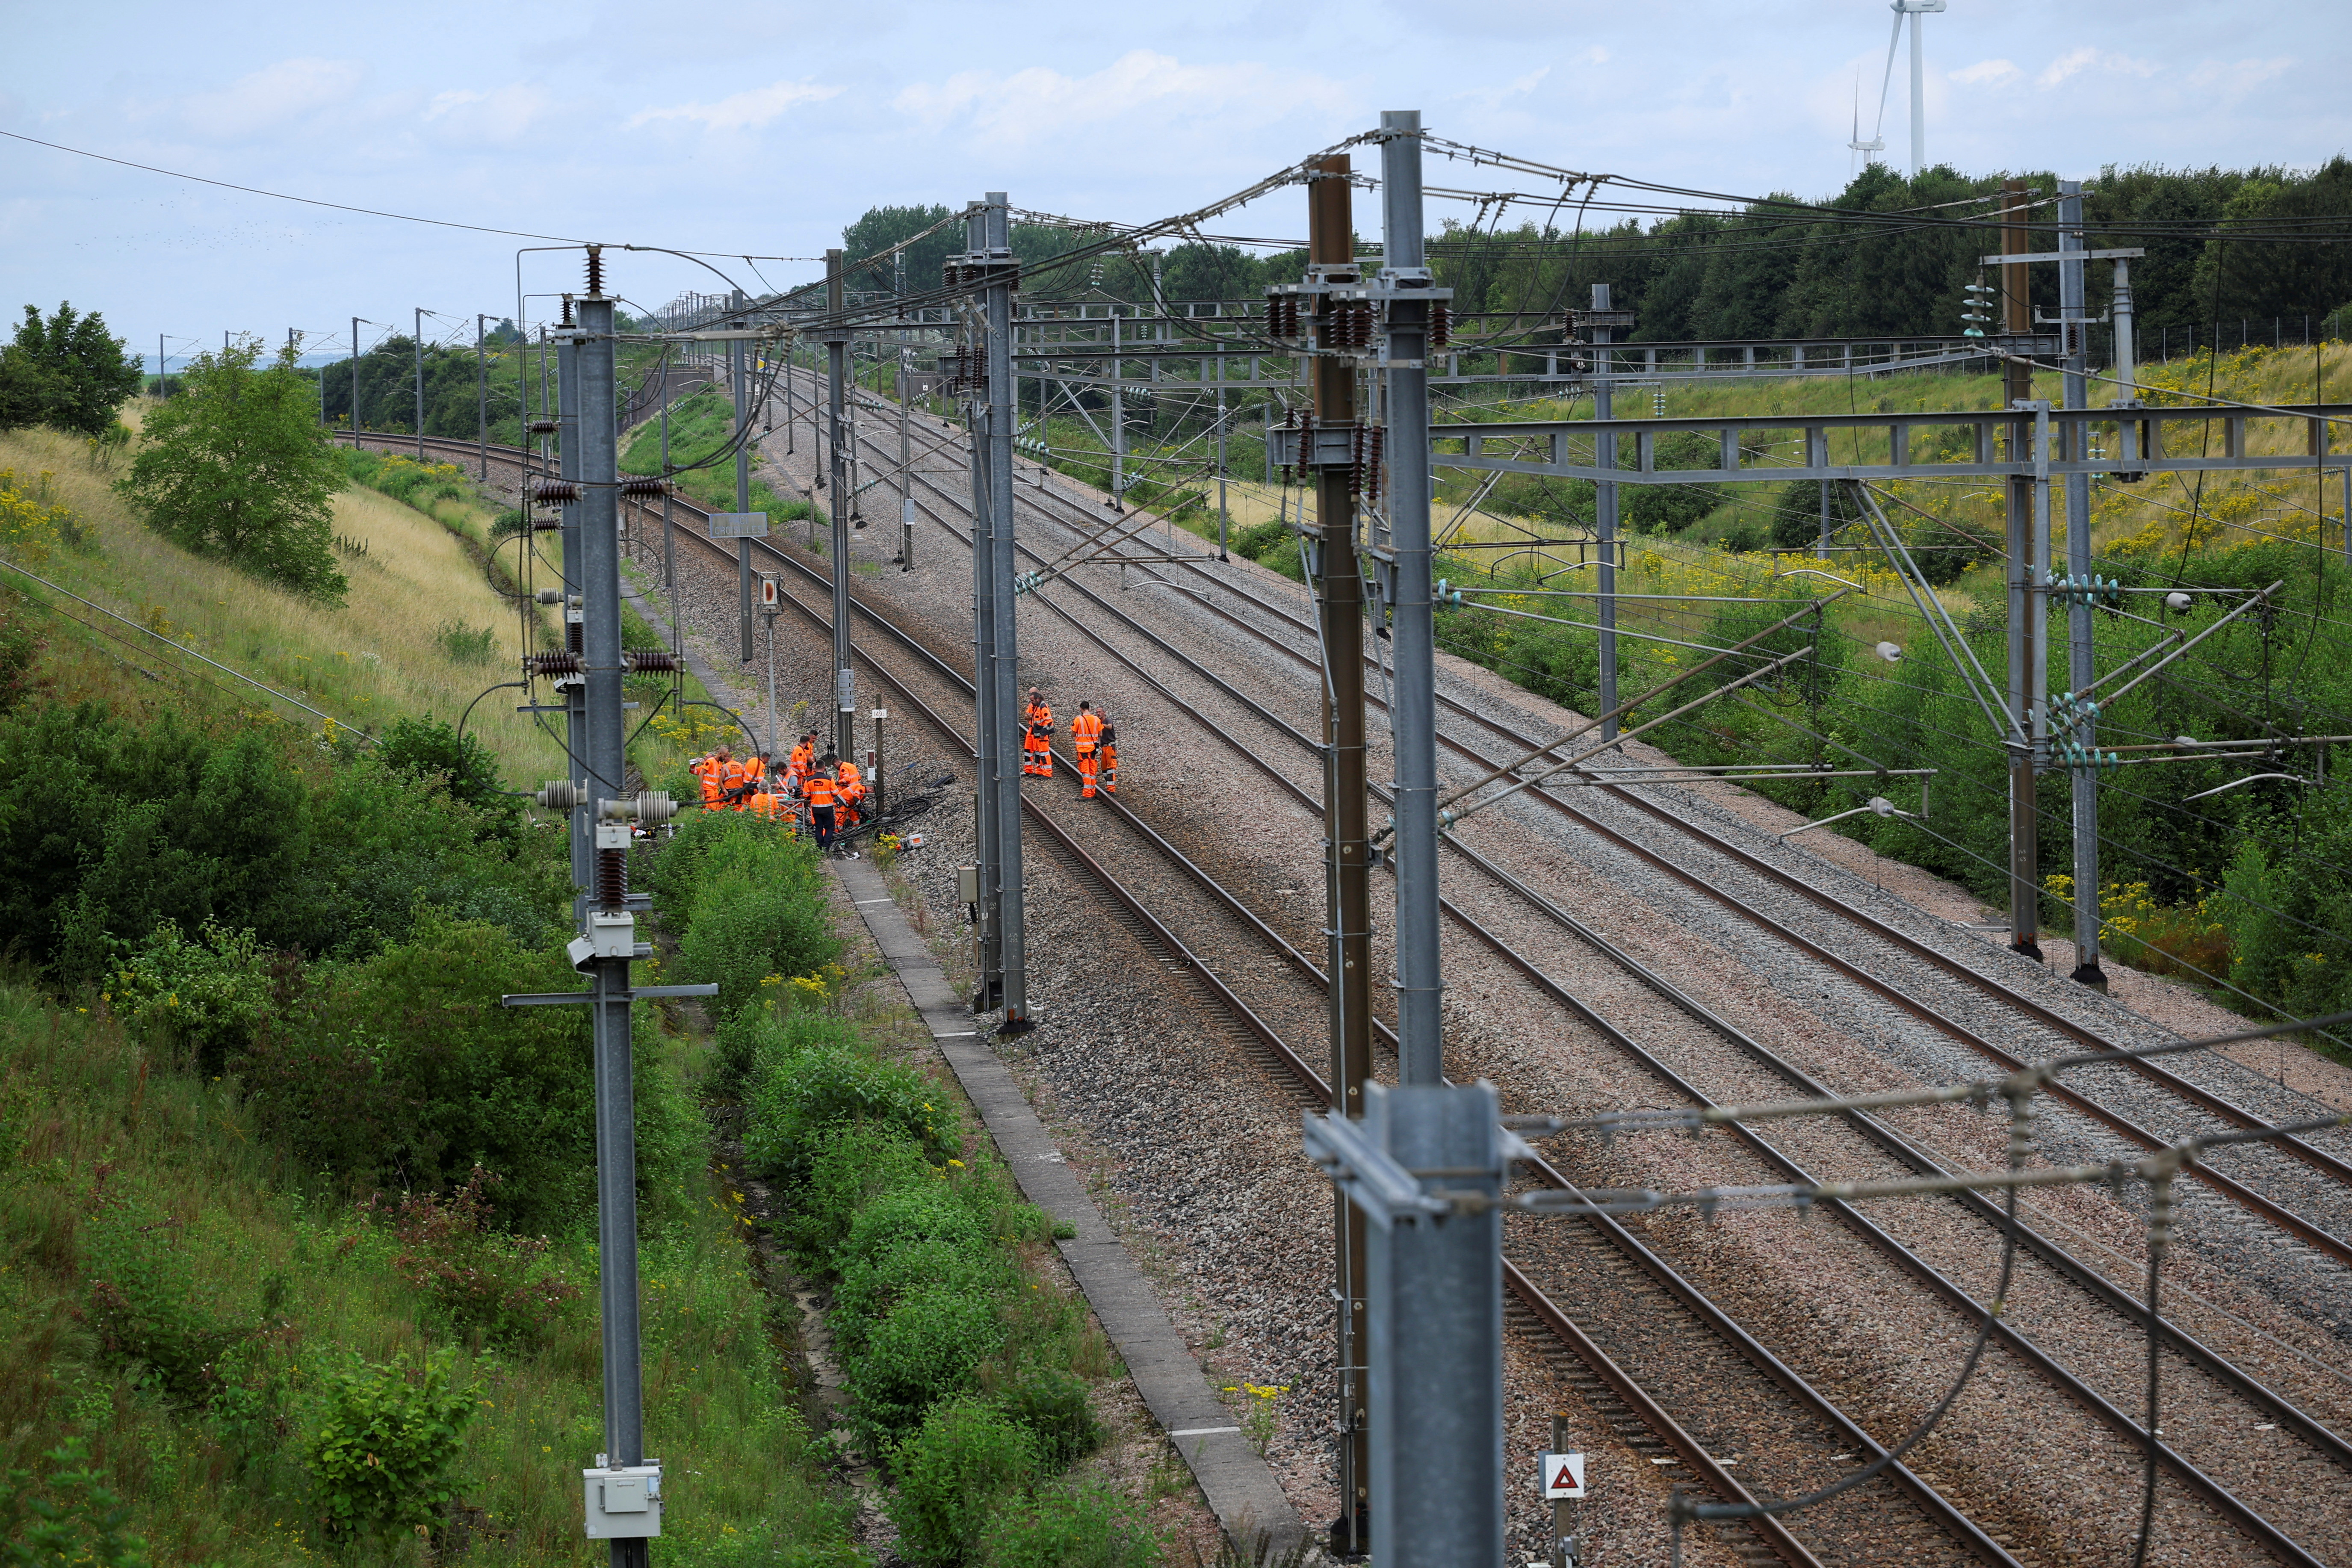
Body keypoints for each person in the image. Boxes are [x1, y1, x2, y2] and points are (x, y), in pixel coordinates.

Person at [1070, 701, 1105, 798]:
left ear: (1081, 709)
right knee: (1092, 771)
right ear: (1089, 708)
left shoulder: (1078, 720)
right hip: (1093, 749)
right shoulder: (1096, 719)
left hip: (1083, 750)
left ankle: (1087, 794)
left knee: (1086, 772)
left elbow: (1073, 734)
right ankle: (1092, 791)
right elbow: (1101, 734)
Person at [803, 762, 840, 851]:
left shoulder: (809, 780)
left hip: (816, 808)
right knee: (829, 828)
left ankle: (820, 848)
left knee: (819, 828)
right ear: (824, 767)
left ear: (815, 768)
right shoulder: (830, 779)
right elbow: (836, 793)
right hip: (828, 808)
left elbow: (806, 795)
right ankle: (826, 848)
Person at [1022, 688, 1053, 778]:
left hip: (1041, 733)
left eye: (1032, 700)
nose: (1031, 702)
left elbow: (1049, 721)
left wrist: (1043, 733)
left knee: (1044, 753)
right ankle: (1039, 771)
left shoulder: (1042, 707)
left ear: (1037, 698)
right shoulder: (1036, 706)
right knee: (1038, 753)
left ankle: (1047, 773)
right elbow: (1027, 716)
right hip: (1036, 732)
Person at [837, 756, 866, 826]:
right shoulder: (851, 766)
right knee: (854, 812)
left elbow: (847, 779)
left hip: (849, 793)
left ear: (836, 764)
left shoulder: (843, 768)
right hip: (858, 790)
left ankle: (838, 831)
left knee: (844, 812)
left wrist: (838, 783)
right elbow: (859, 777)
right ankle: (857, 827)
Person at [1096, 721, 1118, 795]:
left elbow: (1110, 727)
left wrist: (1100, 725)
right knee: (1105, 770)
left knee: (1110, 769)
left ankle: (1111, 790)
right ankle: (1110, 788)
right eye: (1097, 712)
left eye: (1100, 712)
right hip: (1104, 748)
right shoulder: (1099, 723)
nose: (1098, 714)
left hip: (1110, 748)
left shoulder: (1108, 720)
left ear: (1104, 713)